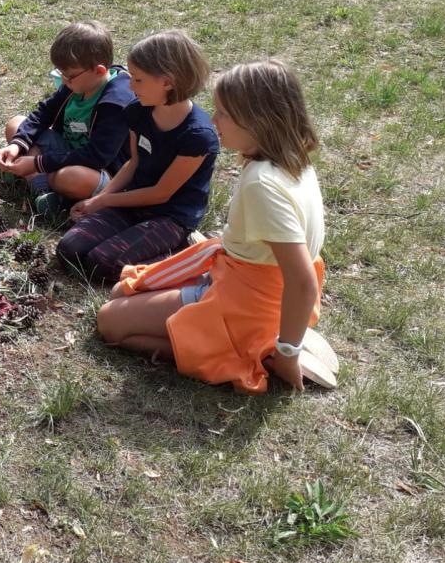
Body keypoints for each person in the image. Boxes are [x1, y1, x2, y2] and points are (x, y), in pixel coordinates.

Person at [96, 61, 330, 393]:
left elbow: (302, 281)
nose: (213, 120)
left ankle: (242, 350)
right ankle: (244, 337)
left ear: (257, 120)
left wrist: (288, 354)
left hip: (245, 302)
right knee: (123, 290)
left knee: (110, 322)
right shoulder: (293, 159)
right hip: (243, 277)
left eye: (223, 113)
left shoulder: (263, 184)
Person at [56, 30, 219, 285]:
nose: (130, 86)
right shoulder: (137, 110)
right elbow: (134, 163)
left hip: (169, 216)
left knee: (103, 264)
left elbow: (161, 193)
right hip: (131, 203)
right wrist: (99, 199)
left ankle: (182, 250)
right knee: (70, 249)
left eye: (138, 80)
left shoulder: (198, 135)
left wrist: (103, 201)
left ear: (167, 82)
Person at [0, 20, 136, 217]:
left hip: (101, 171)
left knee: (69, 178)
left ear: (99, 71)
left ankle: (42, 181)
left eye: (69, 76)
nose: (64, 80)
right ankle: (44, 191)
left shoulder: (117, 102)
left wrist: (37, 163)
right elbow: (43, 113)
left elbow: (97, 156)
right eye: (61, 74)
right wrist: (17, 146)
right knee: (16, 125)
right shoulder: (77, 84)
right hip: (67, 153)